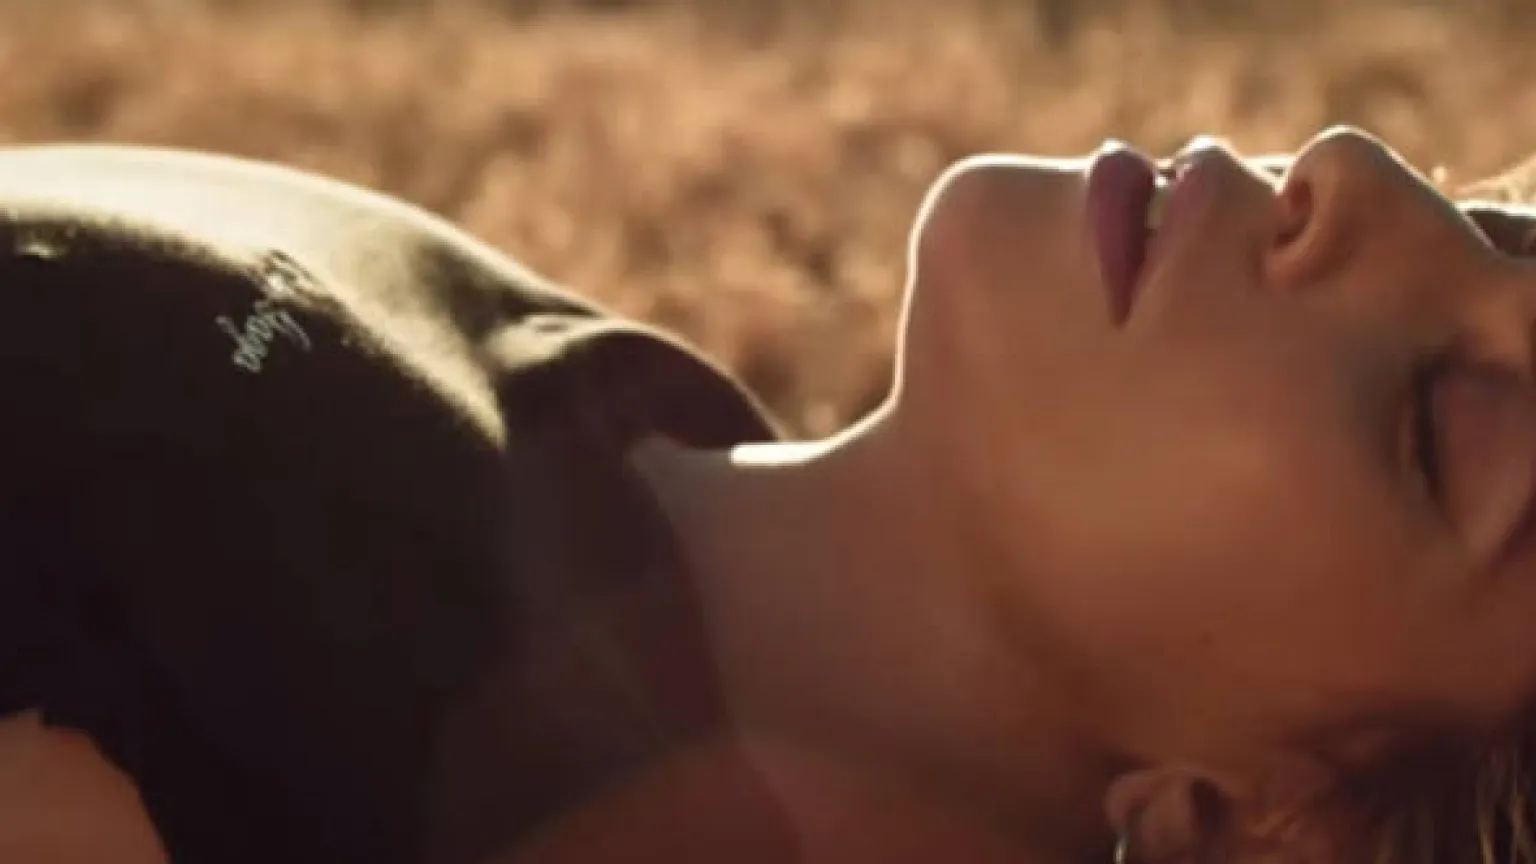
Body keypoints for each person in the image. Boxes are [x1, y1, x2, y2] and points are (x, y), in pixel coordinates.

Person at [4, 125, 1536, 864]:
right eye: (1496, 226)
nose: (1358, 177)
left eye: (1452, 420)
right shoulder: (630, 437)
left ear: (1248, 830)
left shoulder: (327, 760)